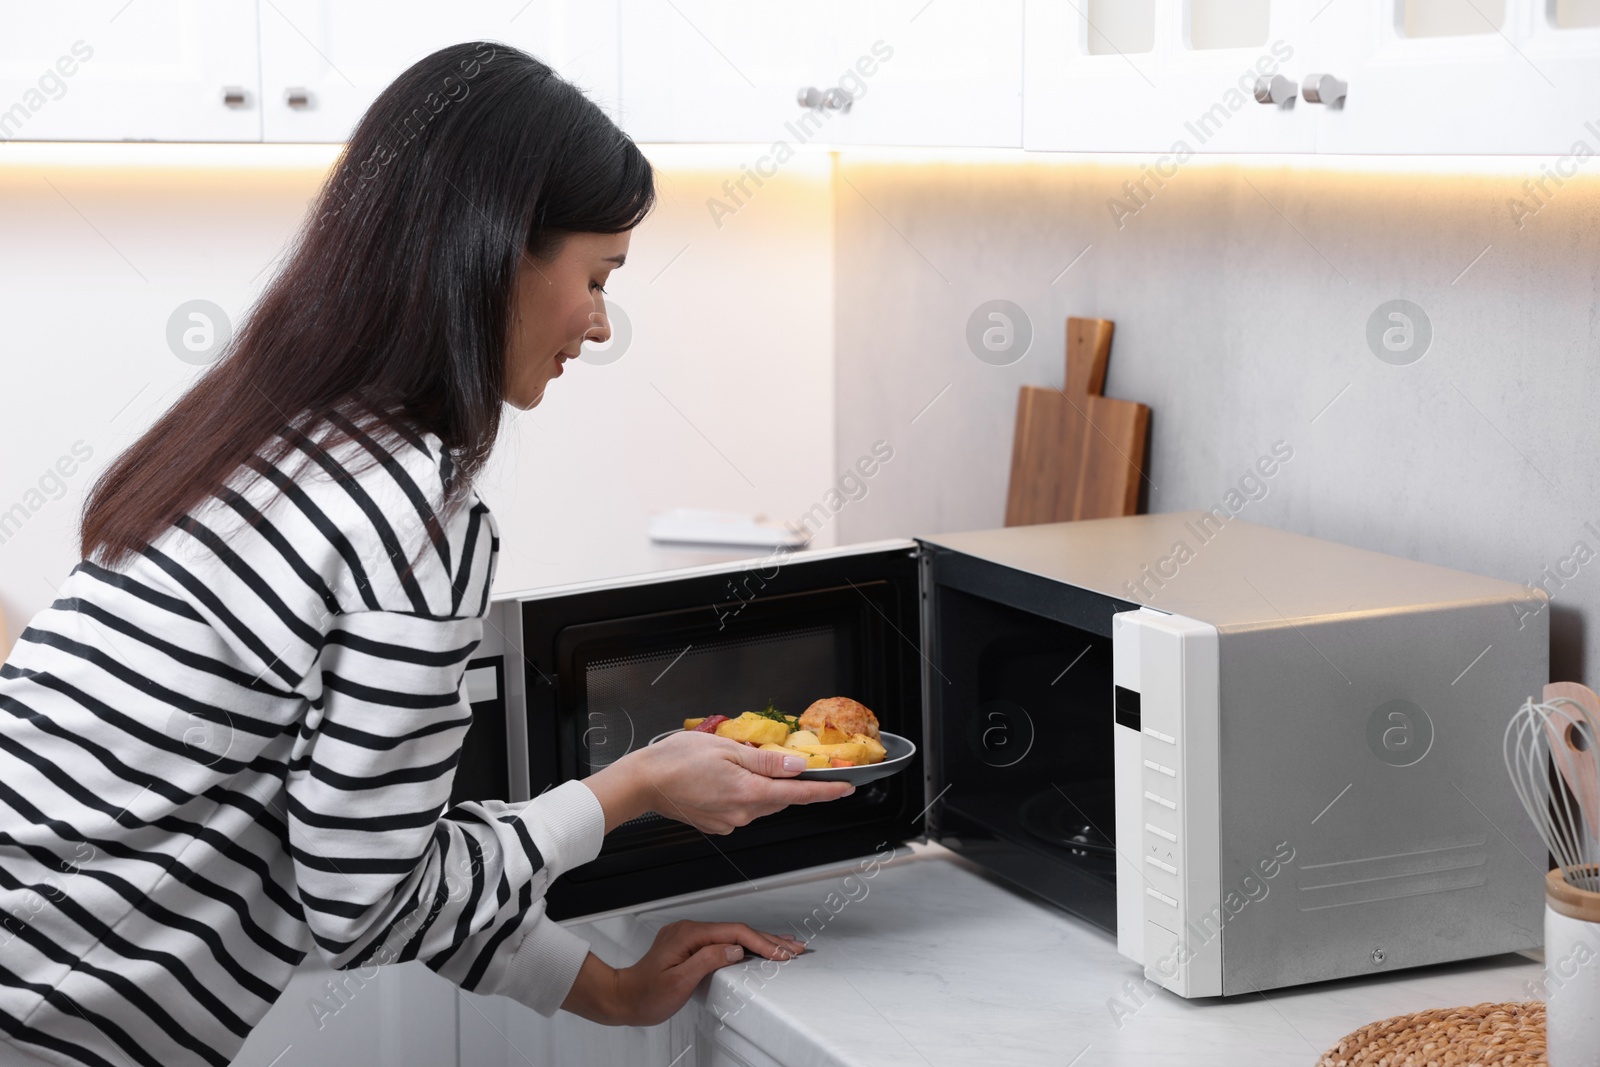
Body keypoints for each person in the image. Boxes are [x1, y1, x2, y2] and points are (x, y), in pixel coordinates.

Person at [0, 41, 853, 1067]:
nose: (597, 319)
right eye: (595, 274)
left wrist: (610, 990)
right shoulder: (412, 510)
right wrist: (626, 789)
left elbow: (365, 859)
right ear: (496, 252)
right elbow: (363, 899)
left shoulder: (263, 426)